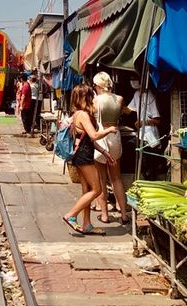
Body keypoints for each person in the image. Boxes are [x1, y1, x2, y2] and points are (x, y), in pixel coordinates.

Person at [62, 83, 117, 235]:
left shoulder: (77, 114)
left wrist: (104, 152)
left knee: (87, 190)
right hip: (84, 156)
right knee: (97, 189)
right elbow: (94, 135)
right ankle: (71, 215)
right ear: (86, 97)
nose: (93, 99)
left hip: (82, 153)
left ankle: (87, 224)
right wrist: (109, 130)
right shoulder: (83, 115)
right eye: (91, 96)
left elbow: (88, 139)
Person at [92, 72, 128, 225]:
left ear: (98, 86)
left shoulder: (95, 101)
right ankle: (124, 215)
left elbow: (93, 117)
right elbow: (120, 113)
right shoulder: (119, 99)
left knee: (101, 178)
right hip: (115, 135)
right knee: (116, 177)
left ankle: (105, 215)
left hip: (101, 136)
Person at [124, 77, 164, 179]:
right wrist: (117, 104)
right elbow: (128, 110)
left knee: (150, 167)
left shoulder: (150, 96)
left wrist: (144, 122)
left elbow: (158, 120)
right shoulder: (137, 94)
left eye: (134, 78)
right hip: (141, 135)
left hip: (150, 136)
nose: (132, 81)